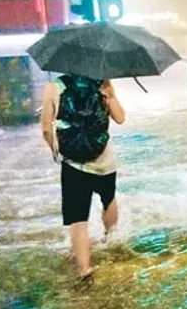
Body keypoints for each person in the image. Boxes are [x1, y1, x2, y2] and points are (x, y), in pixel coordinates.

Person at [41, 75, 126, 283]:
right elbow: (120, 118)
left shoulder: (53, 88)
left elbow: (45, 128)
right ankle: (110, 238)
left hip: (73, 162)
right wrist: (110, 96)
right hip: (104, 159)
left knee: (78, 219)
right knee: (108, 198)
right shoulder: (102, 83)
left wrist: (56, 150)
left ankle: (85, 269)